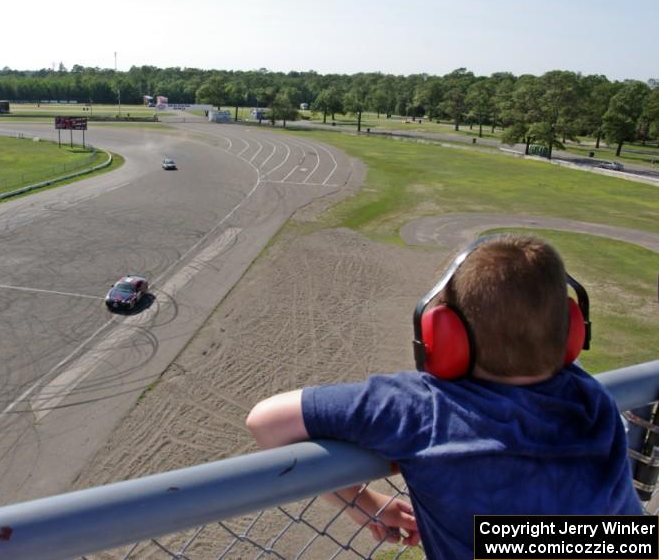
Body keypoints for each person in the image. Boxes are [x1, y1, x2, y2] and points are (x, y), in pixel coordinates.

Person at [246, 234, 642, 559]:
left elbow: (266, 422)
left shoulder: (422, 410)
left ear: (443, 336)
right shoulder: (591, 399)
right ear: (573, 330)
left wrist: (364, 502)